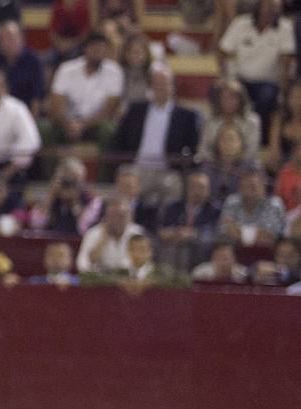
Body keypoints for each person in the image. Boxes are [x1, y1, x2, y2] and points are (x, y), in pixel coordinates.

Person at [112, 65, 201, 186]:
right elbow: (119, 140)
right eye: (156, 84)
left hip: (168, 172)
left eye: (164, 83)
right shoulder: (135, 111)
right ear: (150, 86)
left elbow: (192, 149)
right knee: (127, 183)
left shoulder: (186, 116)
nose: (160, 87)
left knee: (173, 186)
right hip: (135, 169)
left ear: (172, 86)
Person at [218, 0, 294, 141]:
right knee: (221, 92)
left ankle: (258, 139)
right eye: (269, 7)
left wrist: (284, 90)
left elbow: (287, 62)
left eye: (276, 8)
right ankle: (226, 137)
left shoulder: (285, 28)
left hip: (267, 82)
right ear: (259, 6)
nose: (273, 11)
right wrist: (224, 77)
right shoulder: (240, 24)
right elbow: (223, 51)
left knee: (267, 97)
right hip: (239, 80)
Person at [43, 31, 124, 148]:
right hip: (67, 122)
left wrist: (82, 125)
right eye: (94, 47)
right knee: (44, 128)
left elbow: (109, 110)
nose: (98, 52)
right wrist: (69, 125)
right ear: (85, 48)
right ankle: (52, 167)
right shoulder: (67, 69)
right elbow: (57, 103)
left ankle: (107, 167)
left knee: (110, 130)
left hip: (96, 124)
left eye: (102, 48)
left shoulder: (114, 72)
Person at [81, 232, 190, 291]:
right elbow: (86, 277)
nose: (138, 253)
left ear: (150, 252)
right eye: (133, 249)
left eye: (142, 249)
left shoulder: (161, 271)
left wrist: (151, 283)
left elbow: (186, 280)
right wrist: (119, 282)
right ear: (128, 252)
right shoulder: (121, 272)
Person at [159, 169, 222, 267]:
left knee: (187, 249)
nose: (197, 191)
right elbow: (162, 229)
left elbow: (213, 231)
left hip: (200, 249)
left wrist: (193, 234)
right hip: (173, 245)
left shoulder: (215, 210)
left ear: (208, 191)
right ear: (187, 189)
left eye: (201, 188)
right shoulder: (173, 207)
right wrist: (174, 233)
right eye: (193, 187)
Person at [0, 21, 45, 112]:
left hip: (23, 113)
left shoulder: (33, 60)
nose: (6, 43)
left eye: (10, 38)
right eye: (2, 39)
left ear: (21, 39)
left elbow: (37, 97)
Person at [219, 165, 287, 245]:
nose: (247, 191)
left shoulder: (274, 204)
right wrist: (255, 233)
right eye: (244, 185)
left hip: (266, 253)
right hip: (235, 252)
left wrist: (237, 231)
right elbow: (224, 230)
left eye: (252, 186)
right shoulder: (232, 201)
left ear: (263, 185)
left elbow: (270, 236)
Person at [77, 201, 144, 273]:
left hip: (130, 279)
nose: (118, 221)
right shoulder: (93, 233)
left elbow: (144, 262)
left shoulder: (137, 232)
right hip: (101, 280)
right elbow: (82, 263)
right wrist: (103, 240)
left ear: (129, 218)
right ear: (106, 217)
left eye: (122, 216)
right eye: (113, 216)